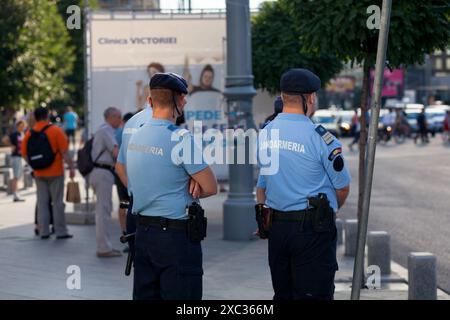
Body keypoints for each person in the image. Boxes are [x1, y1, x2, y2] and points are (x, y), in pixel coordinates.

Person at [256, 68, 351, 300]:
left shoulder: (266, 133)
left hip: (278, 230)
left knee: (283, 294)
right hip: (312, 232)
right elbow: (342, 188)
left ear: (283, 96)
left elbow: (264, 184)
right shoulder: (320, 138)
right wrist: (326, 212)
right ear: (309, 98)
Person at [126, 72, 217, 300]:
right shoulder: (181, 138)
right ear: (180, 101)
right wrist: (191, 177)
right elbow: (211, 186)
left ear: (149, 101)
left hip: (143, 235)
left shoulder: (135, 136)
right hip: (176, 239)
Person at [22, 107, 75, 240]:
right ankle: (60, 231)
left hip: (39, 173)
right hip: (56, 171)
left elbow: (24, 154)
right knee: (57, 202)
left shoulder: (29, 133)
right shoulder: (56, 130)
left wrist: (34, 166)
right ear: (47, 116)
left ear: (35, 117)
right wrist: (72, 167)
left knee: (42, 203)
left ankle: (44, 231)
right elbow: (64, 152)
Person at [90, 107, 122, 258]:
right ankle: (103, 248)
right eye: (118, 117)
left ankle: (104, 246)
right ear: (111, 117)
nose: (120, 120)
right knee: (103, 211)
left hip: (100, 172)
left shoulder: (103, 129)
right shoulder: (106, 130)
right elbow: (115, 151)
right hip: (103, 172)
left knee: (103, 210)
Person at [114, 112, 134, 245]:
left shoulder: (118, 132)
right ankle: (127, 233)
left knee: (124, 204)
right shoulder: (123, 133)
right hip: (127, 174)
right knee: (127, 204)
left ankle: (125, 232)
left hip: (123, 174)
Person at [9, 120, 27, 202]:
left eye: (23, 126)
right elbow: (6, 140)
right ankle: (15, 195)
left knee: (18, 177)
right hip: (16, 157)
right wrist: (12, 147)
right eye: (20, 126)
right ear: (17, 126)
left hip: (21, 157)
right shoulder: (15, 134)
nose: (22, 127)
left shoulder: (23, 134)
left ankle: (17, 194)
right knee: (16, 177)